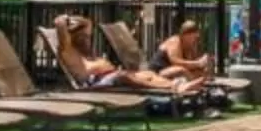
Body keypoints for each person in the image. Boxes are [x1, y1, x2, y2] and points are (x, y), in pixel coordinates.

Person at [54, 15, 182, 96]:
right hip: (95, 83)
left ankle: (178, 86)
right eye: (82, 35)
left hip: (109, 77)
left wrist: (80, 22)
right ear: (71, 36)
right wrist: (64, 19)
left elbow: (88, 24)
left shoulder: (86, 52)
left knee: (148, 74)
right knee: (123, 76)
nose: (86, 38)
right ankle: (168, 87)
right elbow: (60, 25)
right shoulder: (69, 52)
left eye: (87, 36)